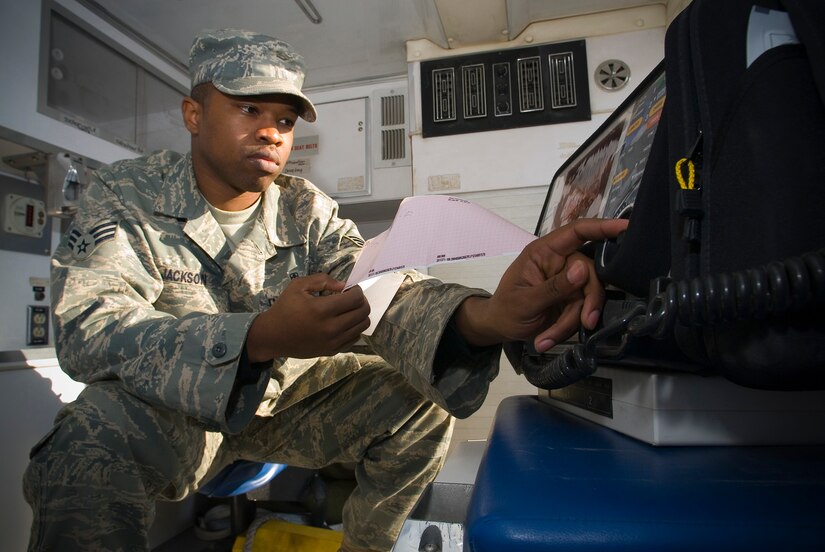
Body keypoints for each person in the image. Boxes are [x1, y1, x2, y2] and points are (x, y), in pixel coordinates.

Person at [23, 29, 628, 552]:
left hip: (283, 407)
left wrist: (486, 317)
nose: (271, 133)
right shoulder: (127, 195)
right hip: (171, 415)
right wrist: (261, 336)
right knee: (86, 437)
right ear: (194, 114)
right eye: (248, 110)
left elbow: (382, 289)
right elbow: (91, 330)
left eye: (283, 120)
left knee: (418, 399)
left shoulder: (306, 208)